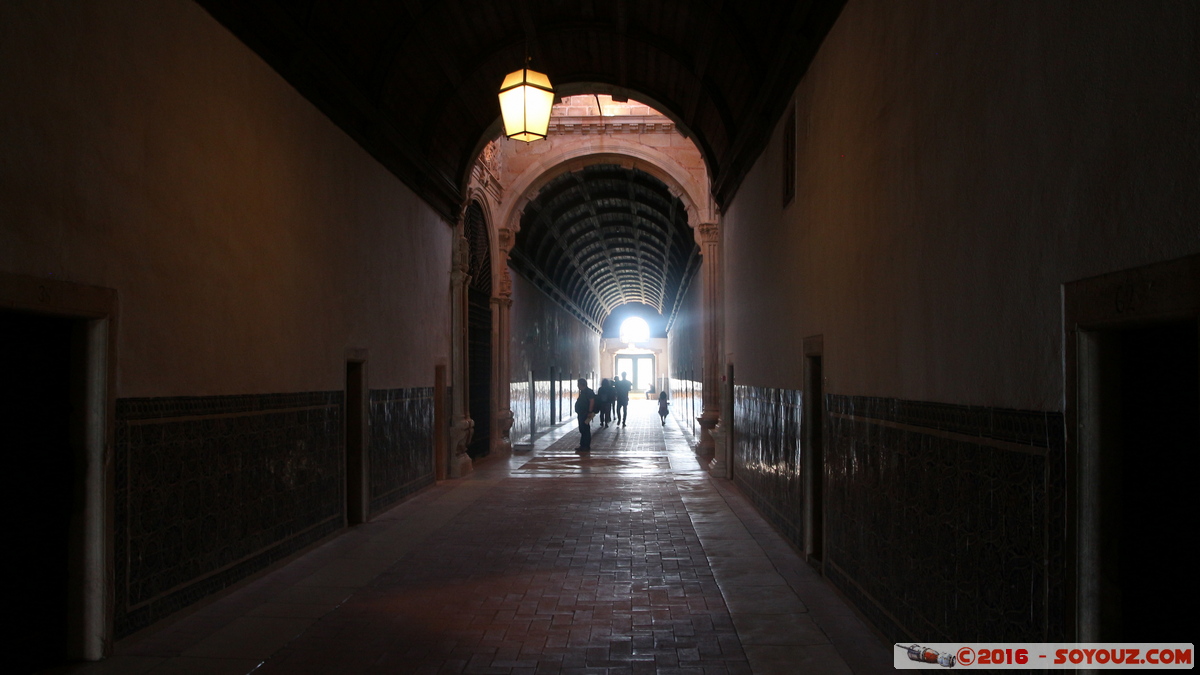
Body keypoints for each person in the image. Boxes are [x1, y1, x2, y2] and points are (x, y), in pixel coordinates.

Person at [574, 377, 595, 452]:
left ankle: (585, 445)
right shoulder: (583, 392)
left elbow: (591, 401)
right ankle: (583, 445)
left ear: (581, 384)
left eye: (578, 384)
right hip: (582, 413)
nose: (577, 386)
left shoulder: (588, 392)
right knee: (582, 429)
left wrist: (589, 412)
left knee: (585, 429)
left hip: (585, 413)